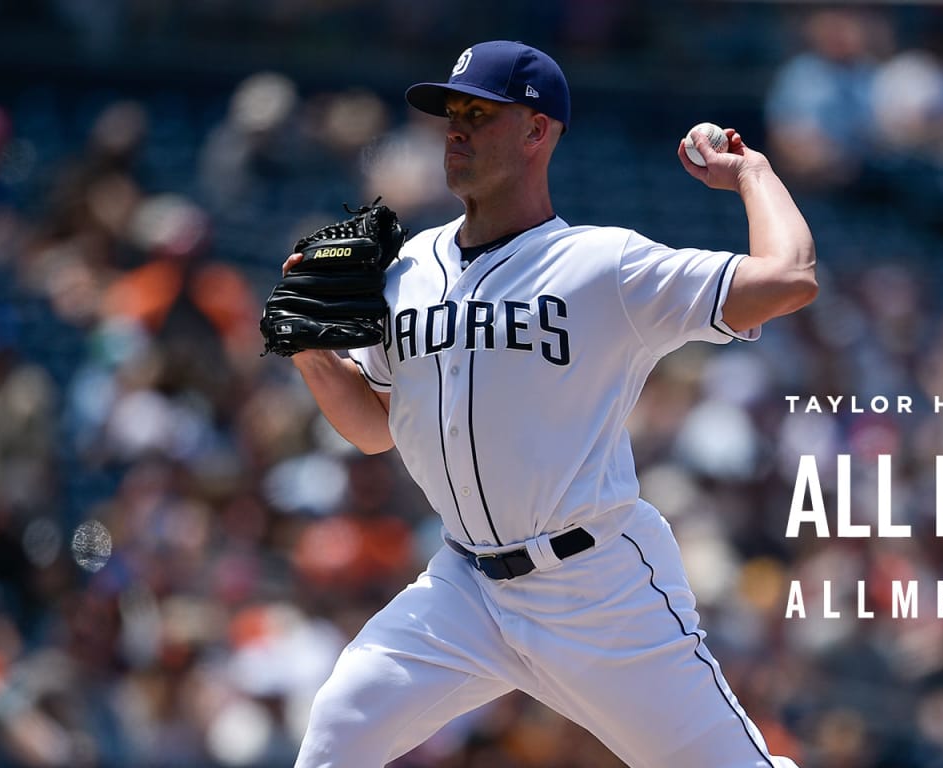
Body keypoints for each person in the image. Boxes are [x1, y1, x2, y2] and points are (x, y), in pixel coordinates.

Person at [284, 40, 816, 767]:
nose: (457, 129)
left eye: (480, 113)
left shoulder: (605, 265)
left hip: (596, 589)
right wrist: (314, 354)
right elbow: (376, 431)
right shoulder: (406, 270)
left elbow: (789, 277)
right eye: (451, 114)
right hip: (463, 589)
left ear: (538, 131)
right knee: (336, 734)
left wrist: (752, 172)